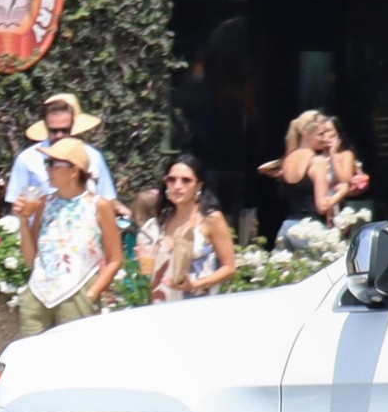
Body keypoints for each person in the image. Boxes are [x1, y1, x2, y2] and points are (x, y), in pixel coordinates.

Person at [15, 139, 124, 338]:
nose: (48, 169)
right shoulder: (43, 203)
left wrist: (92, 293)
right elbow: (32, 259)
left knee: (74, 358)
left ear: (74, 171)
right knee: (30, 356)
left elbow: (115, 258)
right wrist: (23, 221)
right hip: (38, 293)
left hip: (78, 292)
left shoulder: (99, 206)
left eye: (53, 164)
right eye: (47, 163)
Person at [4, 93, 117, 216]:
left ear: (74, 126)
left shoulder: (93, 156)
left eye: (65, 130)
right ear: (46, 127)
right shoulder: (27, 159)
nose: (59, 136)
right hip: (39, 231)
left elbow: (107, 200)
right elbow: (16, 207)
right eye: (54, 131)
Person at [144, 153, 238, 300]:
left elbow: (229, 268)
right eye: (171, 179)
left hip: (198, 302)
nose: (177, 186)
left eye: (186, 180)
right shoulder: (163, 219)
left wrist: (195, 284)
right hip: (162, 302)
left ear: (199, 185)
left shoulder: (211, 219)